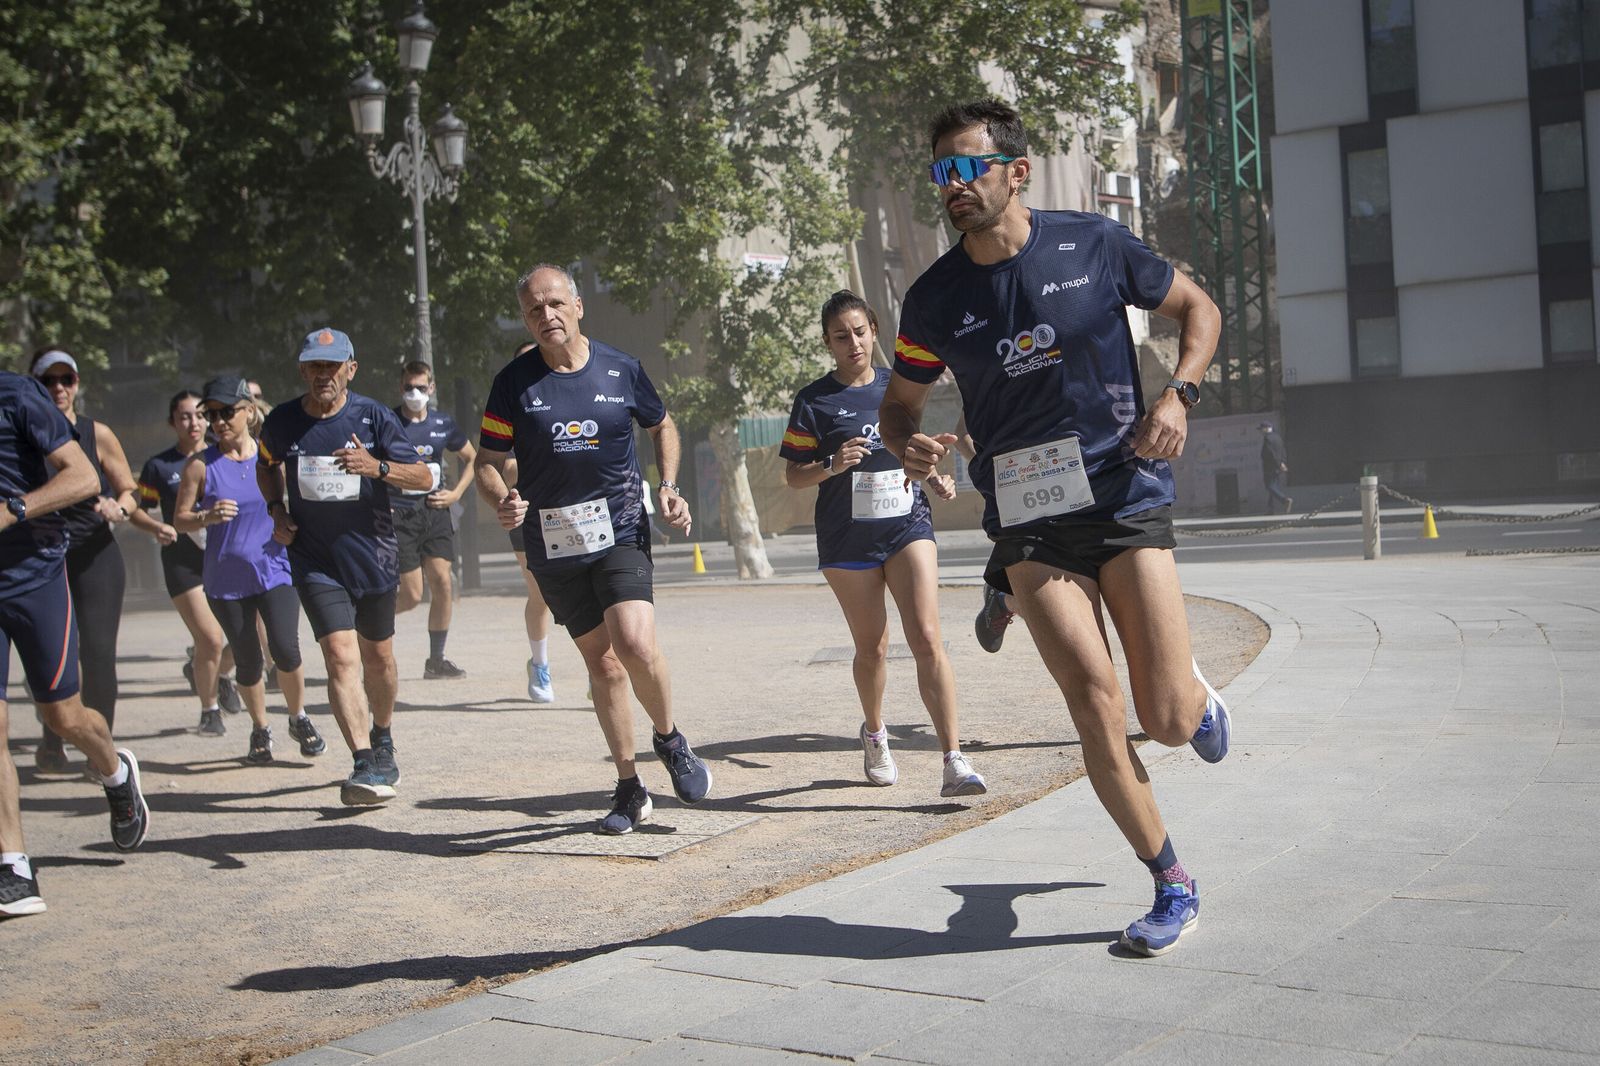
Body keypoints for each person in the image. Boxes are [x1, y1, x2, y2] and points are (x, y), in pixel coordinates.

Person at [881, 100, 1232, 958]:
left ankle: (1196, 693)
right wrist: (912, 445)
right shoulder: (932, 301)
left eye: (970, 169)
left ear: (1016, 173)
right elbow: (899, 409)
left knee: (1168, 719)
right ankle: (1171, 881)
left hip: (1121, 495)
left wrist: (1178, 394)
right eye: (943, 174)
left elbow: (1202, 312)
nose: (955, 187)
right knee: (1095, 709)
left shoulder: (1094, 243)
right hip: (1030, 524)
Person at [475, 264, 711, 835]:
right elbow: (485, 462)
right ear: (526, 320)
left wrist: (670, 486)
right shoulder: (514, 383)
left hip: (621, 528)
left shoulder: (621, 368)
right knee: (601, 665)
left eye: (555, 303)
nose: (546, 315)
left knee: (633, 642)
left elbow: (663, 426)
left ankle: (670, 739)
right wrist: (503, 498)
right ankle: (630, 787)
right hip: (554, 545)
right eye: (534, 309)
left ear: (578, 305)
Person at [781, 290, 986, 797]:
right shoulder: (815, 400)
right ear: (827, 344)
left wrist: (933, 477)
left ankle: (953, 760)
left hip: (906, 526)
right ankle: (875, 733)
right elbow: (793, 477)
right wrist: (831, 464)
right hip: (847, 539)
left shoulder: (903, 390)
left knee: (926, 637)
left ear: (874, 330)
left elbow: (915, 454)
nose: (852, 342)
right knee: (871, 648)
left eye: (859, 331)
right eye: (839, 336)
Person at [258, 328, 431, 805]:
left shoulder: (373, 417)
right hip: (314, 558)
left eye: (332, 367)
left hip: (372, 556)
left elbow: (420, 475)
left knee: (378, 659)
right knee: (339, 655)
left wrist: (374, 466)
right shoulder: (281, 421)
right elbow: (266, 463)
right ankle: (362, 762)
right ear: (303, 371)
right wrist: (277, 509)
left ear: (350, 369)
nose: (323, 375)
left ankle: (383, 735)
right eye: (315, 366)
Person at [2, 369, 150, 916]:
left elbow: (85, 478)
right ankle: (13, 866)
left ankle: (115, 772)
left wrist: (12, 508)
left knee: (63, 716)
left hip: (33, 574)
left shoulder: (16, 395)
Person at [175, 376, 322, 764]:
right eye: (213, 415)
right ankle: (260, 729)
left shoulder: (270, 456)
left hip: (276, 569)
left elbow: (302, 499)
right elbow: (180, 520)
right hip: (226, 579)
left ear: (249, 412)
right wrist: (205, 516)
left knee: (286, 649)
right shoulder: (199, 466)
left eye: (228, 412)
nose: (219, 421)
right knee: (248, 659)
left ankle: (298, 716)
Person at [28, 350, 140, 775]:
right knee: (51, 654)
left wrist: (121, 509)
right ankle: (52, 738)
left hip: (94, 554)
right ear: (34, 385)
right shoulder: (23, 437)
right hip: (41, 558)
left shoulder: (97, 433)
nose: (59, 388)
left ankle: (100, 751)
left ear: (77, 383)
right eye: (49, 380)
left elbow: (130, 490)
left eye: (66, 379)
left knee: (96, 653)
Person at [131, 390, 245, 735]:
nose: (193, 423)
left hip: (227, 557)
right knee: (210, 638)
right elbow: (137, 509)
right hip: (183, 561)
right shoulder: (159, 466)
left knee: (246, 638)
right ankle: (209, 710)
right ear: (172, 422)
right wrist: (157, 526)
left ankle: (218, 673)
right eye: (184, 416)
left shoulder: (226, 456)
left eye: (199, 415)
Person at [391, 360, 476, 678]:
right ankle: (366, 626)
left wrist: (455, 494)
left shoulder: (442, 423)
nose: (415, 393)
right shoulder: (388, 421)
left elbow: (471, 458)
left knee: (442, 582)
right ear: (400, 387)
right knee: (411, 595)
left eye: (421, 387)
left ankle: (436, 660)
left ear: (432, 388)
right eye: (409, 387)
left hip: (436, 510)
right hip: (399, 514)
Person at [1259, 421, 1292, 514]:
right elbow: (1283, 451)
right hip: (1278, 466)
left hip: (1270, 466)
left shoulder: (1268, 439)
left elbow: (1270, 453)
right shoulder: (1278, 437)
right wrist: (1283, 462)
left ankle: (1284, 500)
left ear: (1266, 429)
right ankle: (1270, 509)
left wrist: (1278, 464)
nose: (1261, 431)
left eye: (1261, 429)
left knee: (1270, 486)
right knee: (1274, 486)